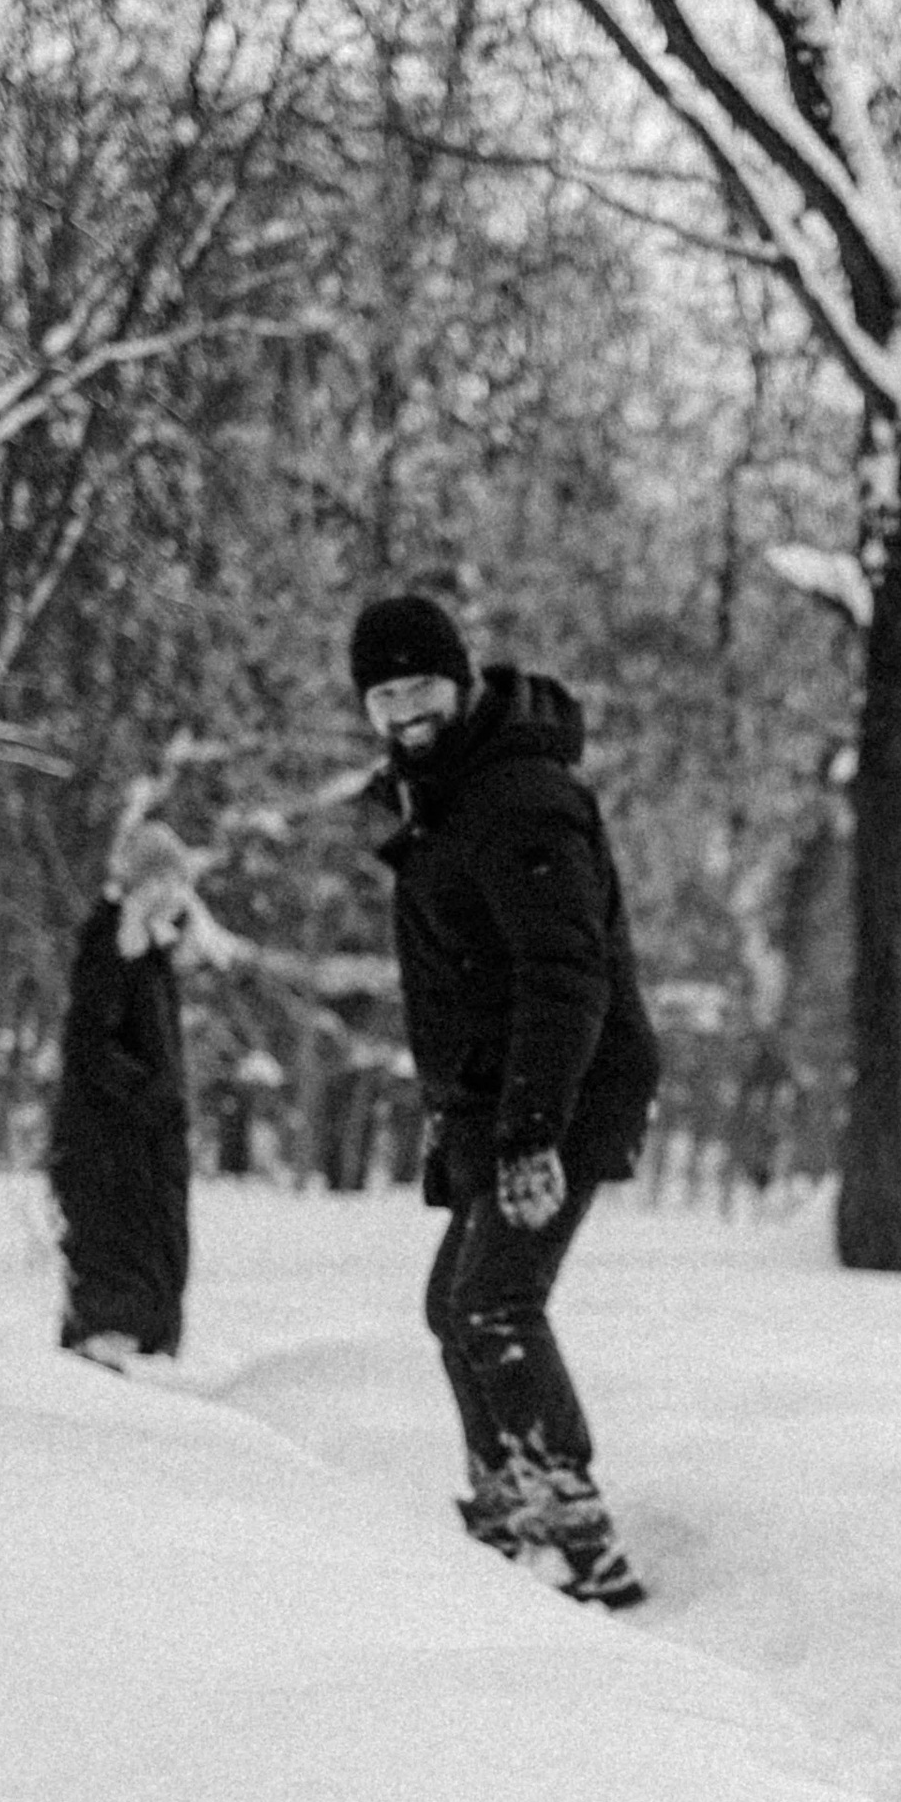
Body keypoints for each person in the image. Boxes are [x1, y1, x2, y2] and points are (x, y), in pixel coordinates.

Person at [352, 588, 661, 1608]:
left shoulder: (518, 796)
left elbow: (564, 975)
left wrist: (535, 1131)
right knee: (455, 1302)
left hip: (565, 1085)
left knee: (495, 1299)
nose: (405, 713)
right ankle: (508, 1499)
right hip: (499, 1090)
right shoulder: (444, 793)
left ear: (464, 680)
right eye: (384, 696)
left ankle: (576, 1531)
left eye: (421, 687)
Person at [46, 818, 200, 1368]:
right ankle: (105, 1371)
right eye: (159, 884)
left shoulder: (149, 956)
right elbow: (88, 1049)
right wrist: (152, 1100)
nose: (172, 897)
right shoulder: (112, 948)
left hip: (142, 1153)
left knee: (146, 1267)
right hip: (110, 1154)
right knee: (115, 1274)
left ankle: (130, 1358)